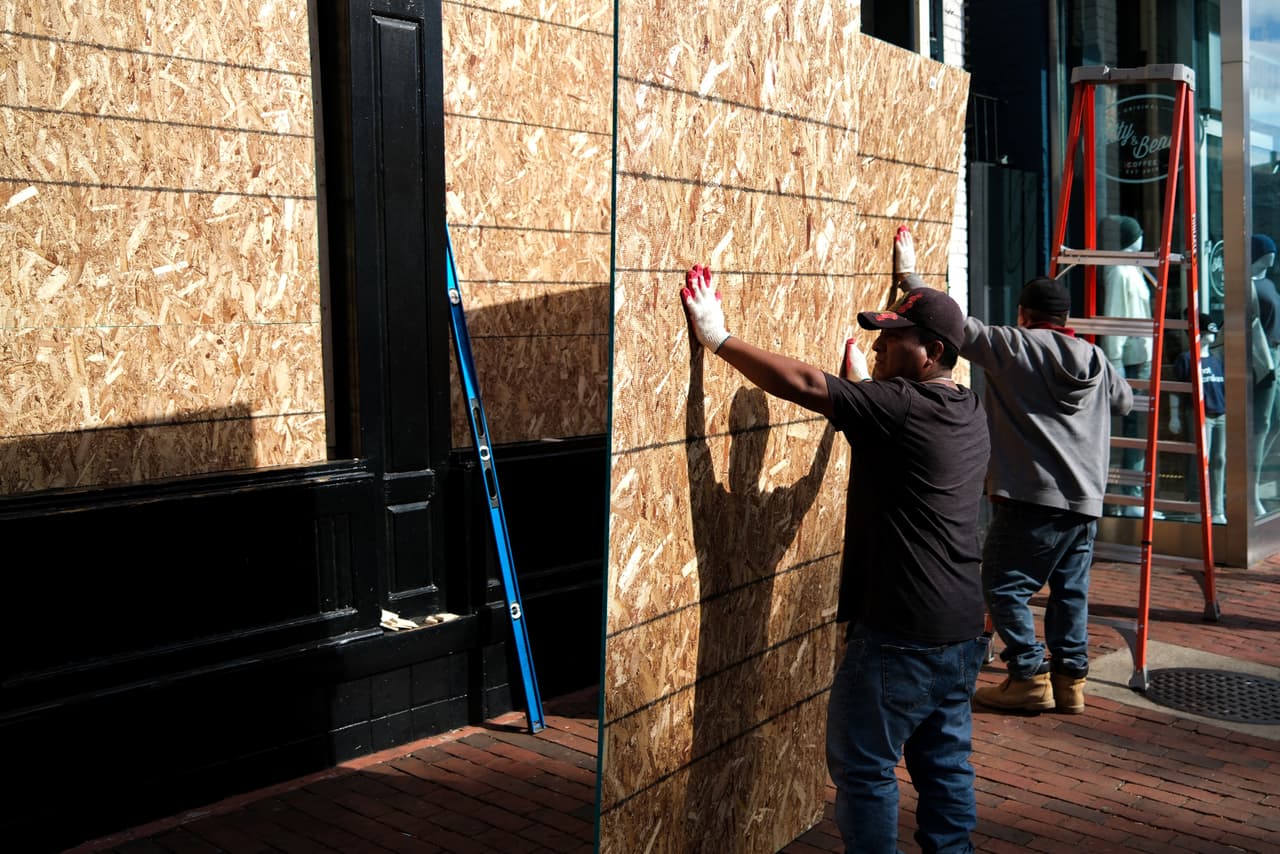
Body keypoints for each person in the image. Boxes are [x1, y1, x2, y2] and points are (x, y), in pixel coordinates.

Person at [681, 262, 991, 853]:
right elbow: (899, 451)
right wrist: (868, 394)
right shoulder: (968, 410)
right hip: (961, 630)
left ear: (929, 352)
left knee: (865, 769)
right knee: (945, 766)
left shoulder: (899, 407)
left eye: (892, 338)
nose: (878, 345)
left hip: (901, 633)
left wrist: (718, 337)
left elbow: (805, 384)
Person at [893, 227, 1132, 715]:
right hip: (1085, 502)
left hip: (1031, 497)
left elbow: (950, 326)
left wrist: (909, 277)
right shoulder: (1096, 359)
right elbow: (1124, 402)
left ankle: (1028, 674)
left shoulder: (1015, 346)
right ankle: (1071, 682)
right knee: (1071, 592)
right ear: (1064, 320)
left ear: (1025, 316)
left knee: (1001, 585)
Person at [1100, 214, 1153, 518]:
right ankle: (1126, 496)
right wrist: (1116, 361)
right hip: (1129, 362)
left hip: (1140, 358)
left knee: (1138, 429)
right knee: (1130, 430)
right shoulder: (1120, 272)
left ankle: (1130, 496)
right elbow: (1116, 317)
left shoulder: (1134, 268)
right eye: (1139, 233)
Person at [1169, 315, 1226, 525]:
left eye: (1212, 331)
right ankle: (1196, 505)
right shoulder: (1186, 359)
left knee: (1220, 460)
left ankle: (1217, 508)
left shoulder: (1217, 359)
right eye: (1208, 331)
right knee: (1200, 461)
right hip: (1199, 414)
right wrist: (1175, 415)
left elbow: (1223, 388)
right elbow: (1176, 389)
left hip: (1220, 414)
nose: (1212, 335)